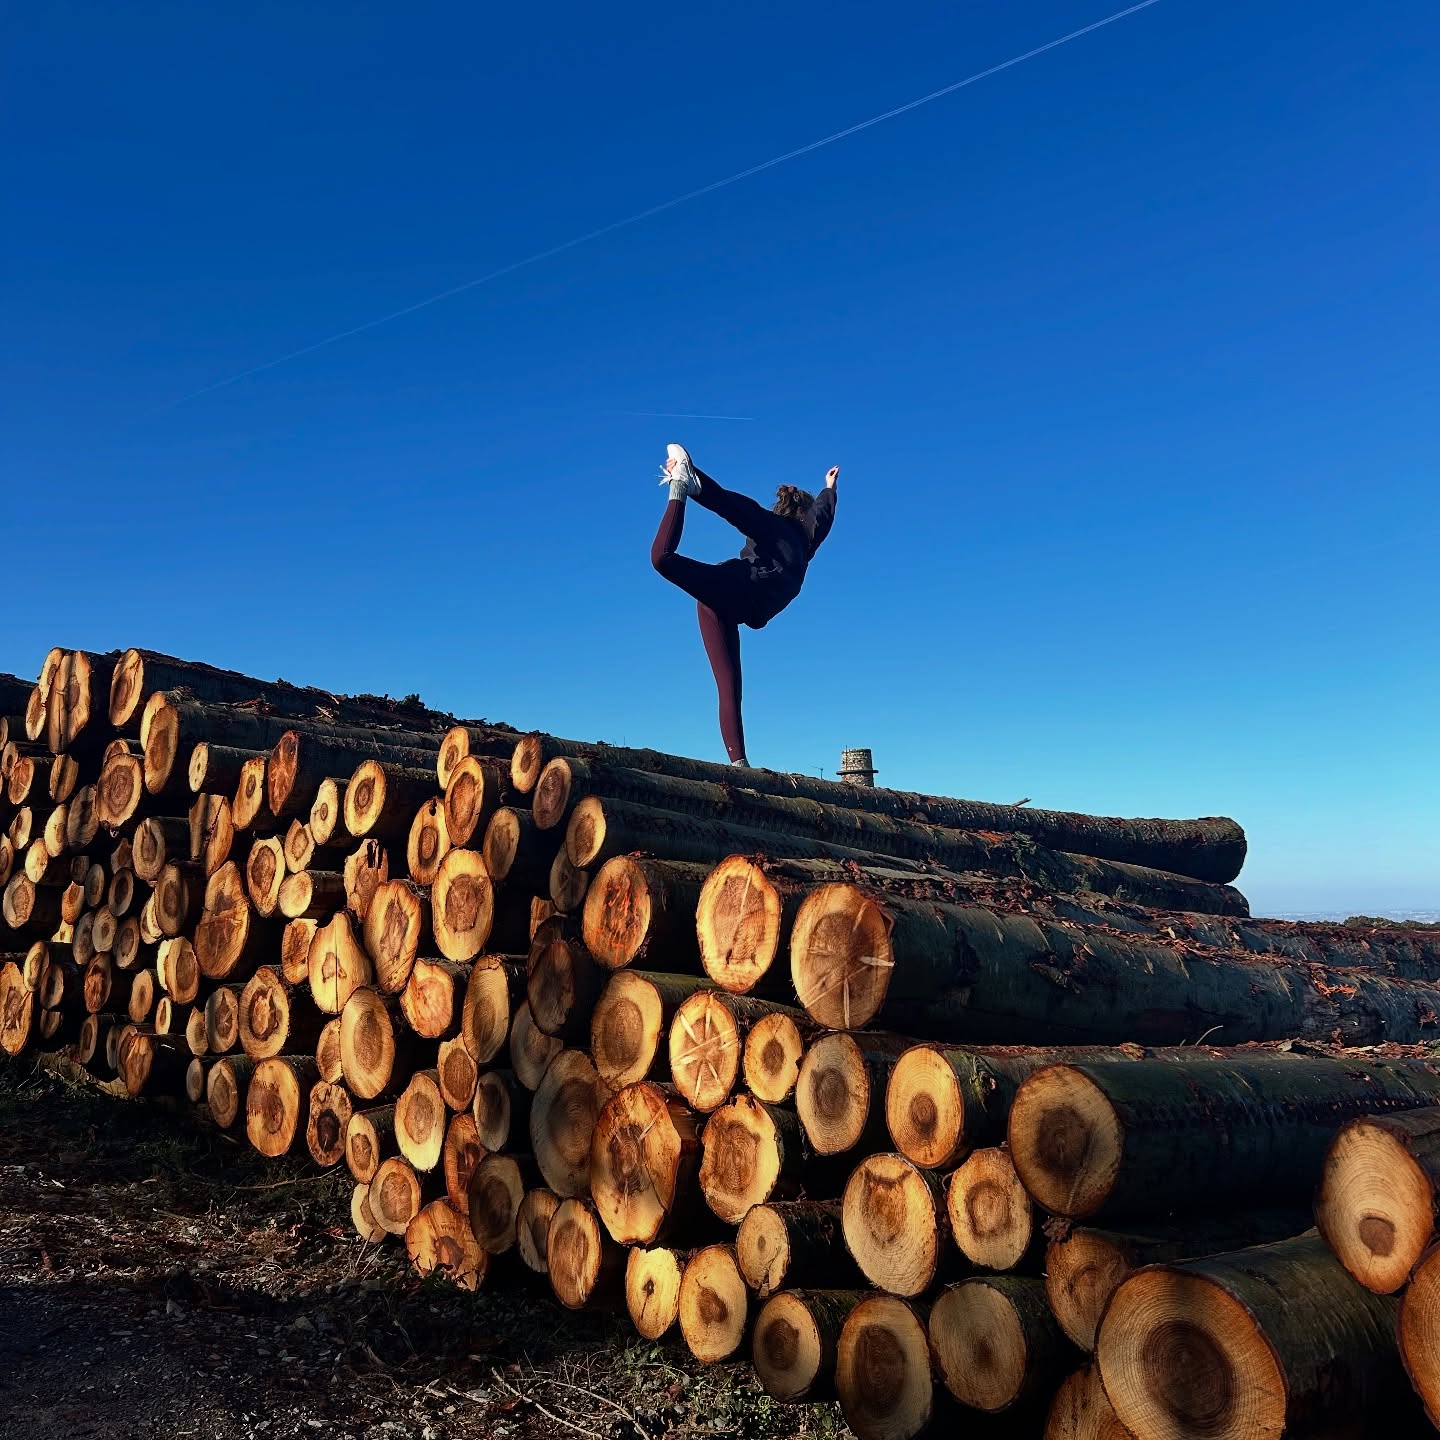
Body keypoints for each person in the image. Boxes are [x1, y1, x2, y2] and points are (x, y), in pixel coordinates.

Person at [650, 443, 839, 766]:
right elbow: (738, 507)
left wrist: (829, 488)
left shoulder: (791, 536)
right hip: (736, 596)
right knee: (729, 688)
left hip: (732, 601)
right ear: (804, 517)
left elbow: (820, 515)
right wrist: (829, 488)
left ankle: (739, 765)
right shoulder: (790, 536)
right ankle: (681, 486)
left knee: (731, 688)